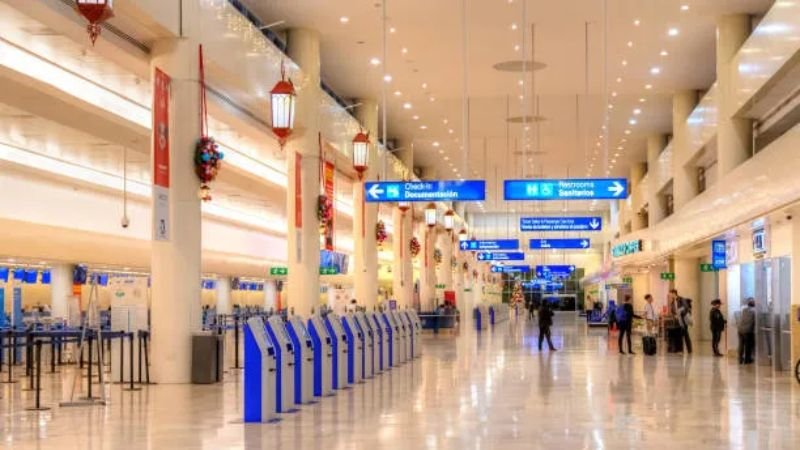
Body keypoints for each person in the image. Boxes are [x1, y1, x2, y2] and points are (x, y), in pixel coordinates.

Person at [669, 289, 693, 354]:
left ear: (674, 293)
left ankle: (689, 350)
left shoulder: (681, 299)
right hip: (677, 321)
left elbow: (686, 307)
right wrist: (674, 315)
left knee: (685, 334)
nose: (670, 295)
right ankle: (681, 350)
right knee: (679, 335)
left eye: (670, 294)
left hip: (683, 320)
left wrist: (680, 313)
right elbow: (672, 311)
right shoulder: (672, 302)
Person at [737, 298, 756, 365]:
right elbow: (756, 321)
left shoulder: (744, 310)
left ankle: (740, 359)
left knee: (741, 345)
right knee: (748, 346)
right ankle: (747, 360)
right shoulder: (754, 311)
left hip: (740, 329)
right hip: (748, 331)